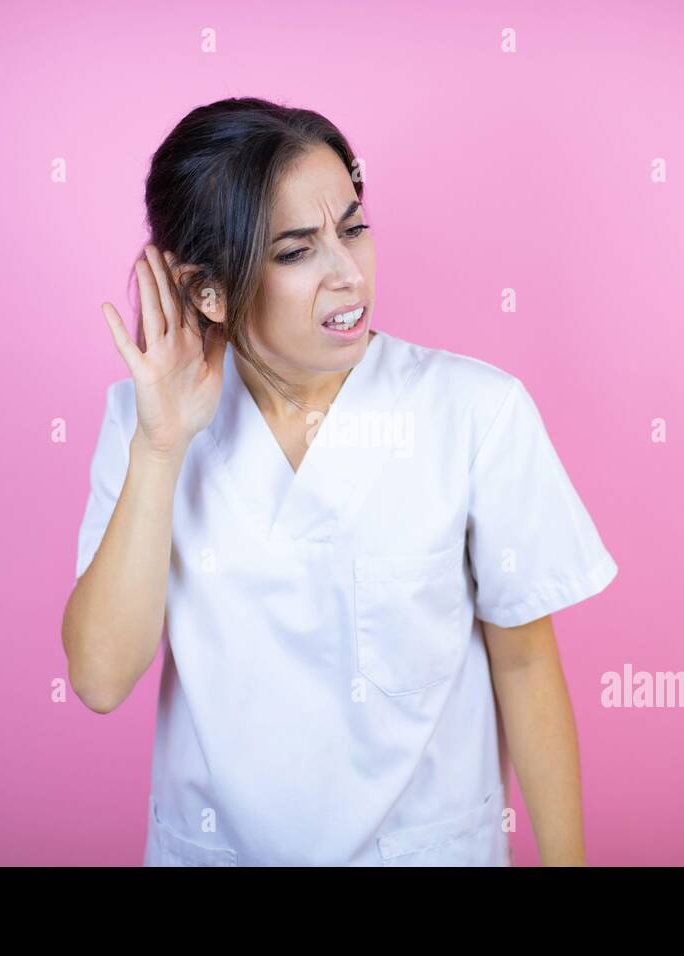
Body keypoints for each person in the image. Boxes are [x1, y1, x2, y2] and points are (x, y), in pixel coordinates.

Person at [61, 97, 619, 866]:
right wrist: (161, 447)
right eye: (296, 252)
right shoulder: (142, 422)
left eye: (352, 228)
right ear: (207, 291)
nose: (348, 272)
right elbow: (98, 678)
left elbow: (525, 666)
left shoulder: (475, 412)